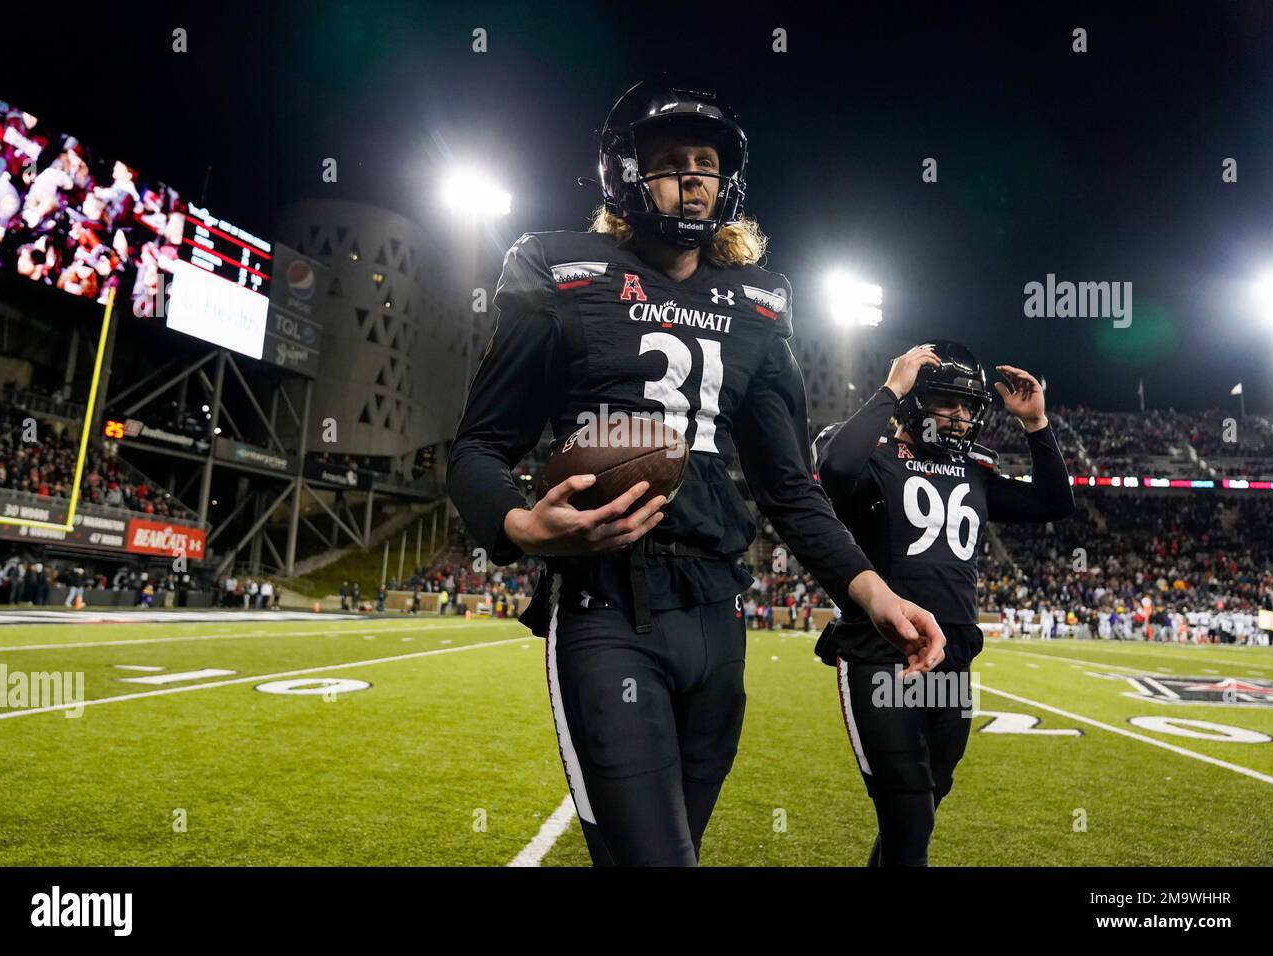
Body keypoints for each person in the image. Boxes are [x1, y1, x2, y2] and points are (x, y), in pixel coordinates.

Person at [447, 76, 945, 867]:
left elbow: (789, 488)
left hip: (718, 615)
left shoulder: (760, 302)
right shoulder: (556, 269)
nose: (691, 177)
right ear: (624, 175)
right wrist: (521, 526)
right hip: (606, 607)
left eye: (706, 162)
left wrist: (872, 590)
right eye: (670, 161)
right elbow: (477, 447)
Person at [813, 341, 1075, 866]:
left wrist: (1037, 425)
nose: (959, 417)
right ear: (914, 401)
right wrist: (891, 387)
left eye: (967, 407)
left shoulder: (974, 470)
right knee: (908, 808)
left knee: (924, 804)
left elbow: (1054, 502)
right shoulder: (876, 459)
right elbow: (836, 468)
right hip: (880, 651)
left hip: (953, 655)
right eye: (946, 403)